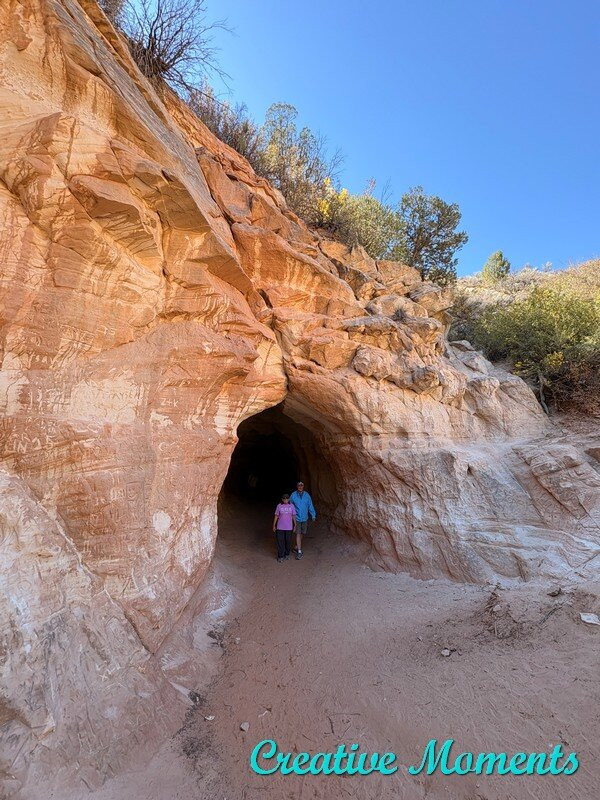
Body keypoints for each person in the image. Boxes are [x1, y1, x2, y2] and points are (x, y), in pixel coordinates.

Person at [290, 481, 316, 560]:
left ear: (303, 486)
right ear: (297, 486)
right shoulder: (293, 495)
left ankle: (296, 546)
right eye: (299, 485)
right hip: (297, 518)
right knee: (298, 533)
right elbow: (290, 505)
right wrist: (289, 515)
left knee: (302, 533)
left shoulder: (307, 495)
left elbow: (310, 505)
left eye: (301, 485)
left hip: (304, 518)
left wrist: (313, 514)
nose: (300, 487)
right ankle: (299, 551)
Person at [272, 493, 296, 563]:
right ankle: (280, 556)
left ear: (289, 499)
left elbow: (294, 516)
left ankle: (287, 554)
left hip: (289, 527)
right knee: (280, 542)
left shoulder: (291, 506)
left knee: (288, 541)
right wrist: (274, 525)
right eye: (284, 499)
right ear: (282, 499)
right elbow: (276, 516)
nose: (285, 500)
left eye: (287, 499)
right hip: (280, 527)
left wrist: (295, 525)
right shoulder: (279, 506)